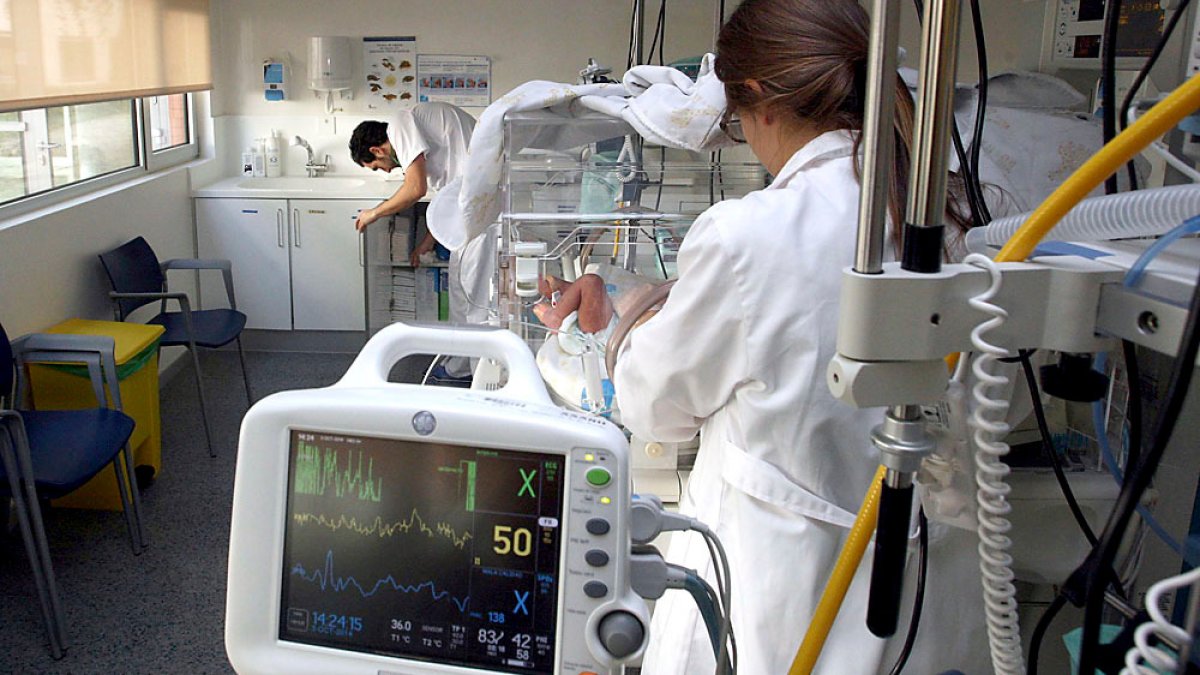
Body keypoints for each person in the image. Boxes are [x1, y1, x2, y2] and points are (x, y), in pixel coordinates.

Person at [611, 1, 989, 673]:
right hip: (926, 602)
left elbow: (653, 407)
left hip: (782, 602)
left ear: (756, 97)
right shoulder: (954, 212)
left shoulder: (747, 234)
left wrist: (631, 319)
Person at [349, 102, 490, 381]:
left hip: (481, 208)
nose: (387, 172)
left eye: (377, 166)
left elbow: (415, 188)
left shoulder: (401, 122)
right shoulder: (421, 133)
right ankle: (461, 366)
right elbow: (445, 195)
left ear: (378, 150)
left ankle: (480, 377)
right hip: (471, 207)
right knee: (461, 291)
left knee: (474, 297)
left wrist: (374, 213)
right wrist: (427, 241)